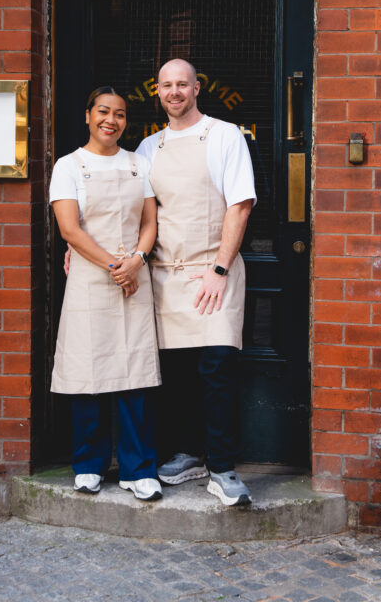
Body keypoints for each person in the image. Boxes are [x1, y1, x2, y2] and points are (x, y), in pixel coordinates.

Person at [136, 59, 256, 506]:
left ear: (197, 88)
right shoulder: (150, 147)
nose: (174, 92)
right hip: (167, 275)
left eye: (182, 84)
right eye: (166, 85)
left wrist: (220, 269)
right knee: (178, 374)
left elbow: (239, 206)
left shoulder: (224, 135)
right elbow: (139, 212)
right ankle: (188, 455)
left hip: (214, 271)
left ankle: (223, 468)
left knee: (218, 368)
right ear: (157, 91)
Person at [50, 86, 162, 502]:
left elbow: (150, 222)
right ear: (87, 115)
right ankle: (89, 464)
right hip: (91, 279)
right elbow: (70, 230)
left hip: (133, 276)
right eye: (102, 111)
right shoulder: (69, 166)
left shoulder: (139, 163)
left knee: (136, 373)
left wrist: (137, 258)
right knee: (89, 372)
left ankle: (139, 468)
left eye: (118, 114)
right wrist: (117, 268)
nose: (110, 121)